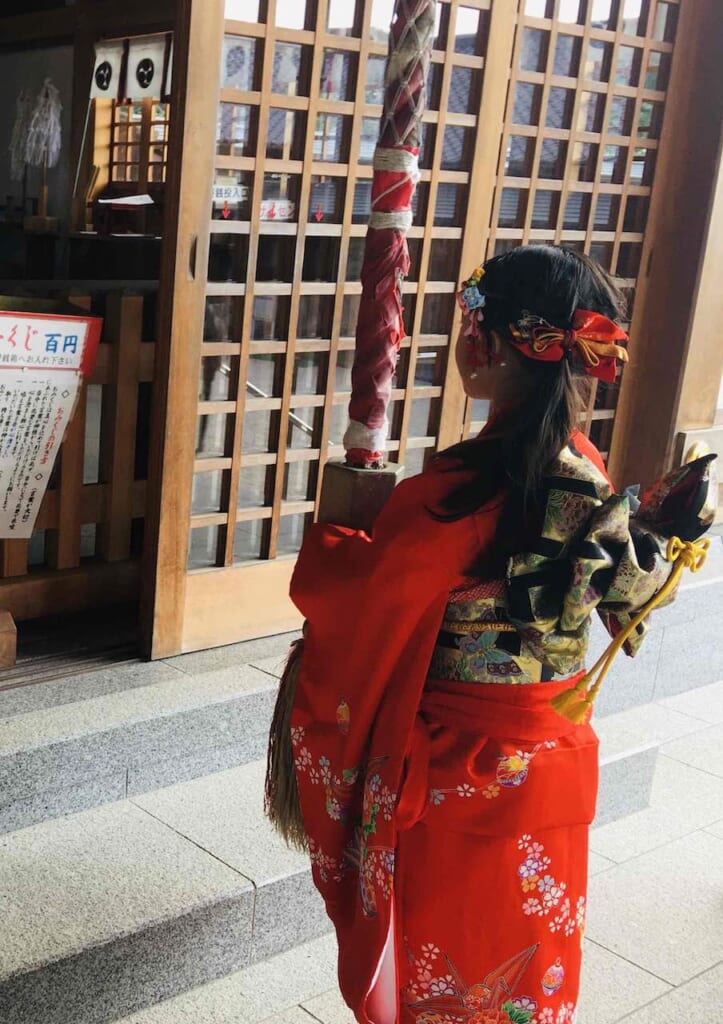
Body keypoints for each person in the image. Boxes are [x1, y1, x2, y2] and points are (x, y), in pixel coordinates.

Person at [266, 245, 715, 1024]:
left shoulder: (449, 494)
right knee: (525, 972)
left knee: (445, 974)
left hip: (454, 774)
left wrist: (339, 541)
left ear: (483, 345)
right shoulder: (584, 471)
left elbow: (364, 613)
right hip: (550, 768)